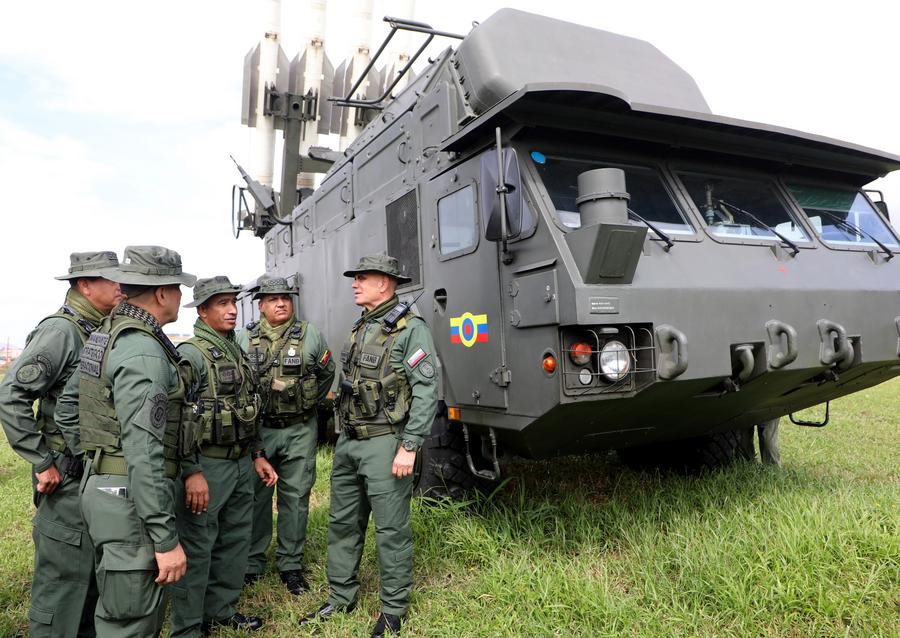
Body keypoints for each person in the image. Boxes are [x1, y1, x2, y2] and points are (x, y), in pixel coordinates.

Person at [56, 245, 200, 637]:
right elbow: (145, 453)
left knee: (116, 608)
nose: (181, 297)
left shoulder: (107, 335)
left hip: (106, 491)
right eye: (178, 289)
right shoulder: (144, 352)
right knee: (131, 621)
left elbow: (68, 407)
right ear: (161, 293)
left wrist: (100, 460)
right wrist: (165, 538)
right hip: (131, 503)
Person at [302, 254, 438, 637]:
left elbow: (427, 391)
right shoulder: (363, 325)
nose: (354, 283)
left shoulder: (411, 330)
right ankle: (340, 597)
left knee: (391, 529)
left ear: (386, 283)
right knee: (343, 523)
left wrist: (409, 446)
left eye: (363, 277)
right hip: (349, 442)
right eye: (355, 278)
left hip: (384, 443)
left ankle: (393, 610)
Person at [0, 251, 121, 638]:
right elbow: (12, 395)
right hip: (66, 477)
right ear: (85, 285)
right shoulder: (62, 331)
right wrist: (41, 460)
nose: (121, 287)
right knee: (64, 580)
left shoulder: (98, 328)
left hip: (91, 473)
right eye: (111, 280)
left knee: (90, 579)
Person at [169, 276, 278, 636]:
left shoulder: (237, 351)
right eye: (222, 304)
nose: (232, 309)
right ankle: (188, 625)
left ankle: (221, 610)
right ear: (202, 310)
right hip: (207, 465)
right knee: (199, 544)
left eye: (233, 302)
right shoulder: (191, 355)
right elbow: (177, 419)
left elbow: (249, 409)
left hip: (240, 463)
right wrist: (191, 471)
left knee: (235, 540)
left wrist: (257, 454)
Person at [239, 276, 335, 594]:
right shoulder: (245, 338)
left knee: (296, 498)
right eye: (273, 298)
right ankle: (252, 563)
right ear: (261, 304)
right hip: (260, 431)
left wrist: (308, 404)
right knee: (256, 498)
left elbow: (327, 372)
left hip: (299, 430)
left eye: (286, 298)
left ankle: (290, 565)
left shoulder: (310, 335)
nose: (281, 303)